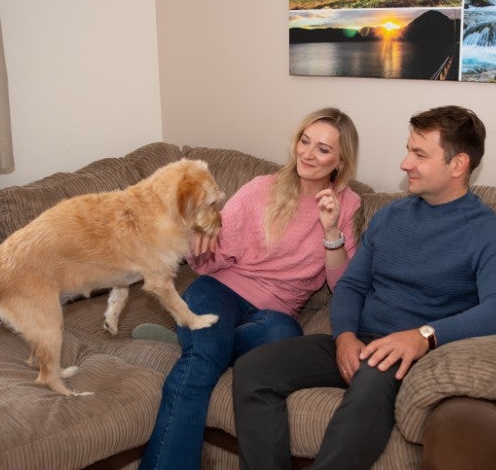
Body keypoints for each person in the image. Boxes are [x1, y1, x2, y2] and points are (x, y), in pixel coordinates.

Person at [232, 105, 496, 470]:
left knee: (373, 375)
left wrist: (423, 336)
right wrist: (344, 337)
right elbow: (353, 284)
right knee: (253, 369)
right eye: (408, 151)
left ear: (458, 164)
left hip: (410, 354)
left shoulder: (487, 230)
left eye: (419, 154)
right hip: (361, 339)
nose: (405, 164)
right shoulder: (391, 215)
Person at [138, 107, 361, 470]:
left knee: (279, 337)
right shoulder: (262, 188)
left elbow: (342, 285)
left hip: (277, 313)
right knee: (200, 365)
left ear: (340, 160)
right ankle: (201, 343)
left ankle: (194, 336)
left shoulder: (346, 204)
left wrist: (331, 230)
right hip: (220, 290)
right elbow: (211, 257)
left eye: (323, 149)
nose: (308, 153)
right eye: (305, 141)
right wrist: (201, 240)